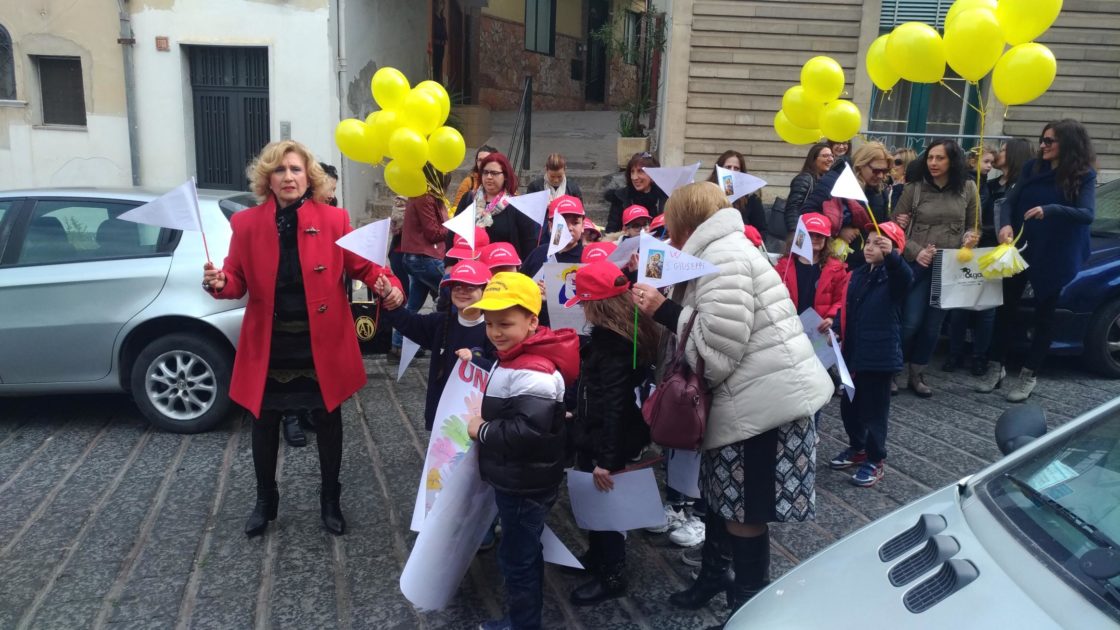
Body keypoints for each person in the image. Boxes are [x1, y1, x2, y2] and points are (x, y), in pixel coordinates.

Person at [631, 182, 832, 620]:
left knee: (745, 510)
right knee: (723, 499)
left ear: (687, 221)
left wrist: (662, 309)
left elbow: (716, 354)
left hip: (764, 408)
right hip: (754, 399)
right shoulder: (721, 250)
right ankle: (714, 579)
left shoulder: (724, 258)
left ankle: (747, 607)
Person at [202, 140, 403, 537]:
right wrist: (221, 282)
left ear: (307, 176)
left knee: (328, 422)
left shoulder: (334, 219)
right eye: (280, 170)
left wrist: (389, 285)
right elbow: (235, 279)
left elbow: (366, 266)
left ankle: (330, 499)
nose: (288, 177)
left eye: (295, 169)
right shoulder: (245, 224)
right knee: (264, 423)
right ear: (267, 179)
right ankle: (265, 500)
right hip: (270, 344)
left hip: (320, 345)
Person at [466, 272, 580, 630]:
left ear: (533, 321)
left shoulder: (534, 369)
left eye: (505, 323)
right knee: (523, 551)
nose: (496, 332)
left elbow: (526, 432)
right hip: (521, 475)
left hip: (523, 481)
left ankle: (523, 624)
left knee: (517, 558)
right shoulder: (517, 355)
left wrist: (481, 429)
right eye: (490, 324)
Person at [978, 119, 1097, 402]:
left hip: (1056, 252)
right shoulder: (1033, 168)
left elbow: (1086, 214)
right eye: (1042, 140)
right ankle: (995, 369)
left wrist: (1051, 209)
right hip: (1022, 246)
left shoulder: (1084, 175)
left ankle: (1028, 375)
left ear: (1067, 144)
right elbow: (1009, 201)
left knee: (1045, 315)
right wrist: (1005, 225)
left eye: (1049, 141)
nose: (1042, 145)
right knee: (1005, 309)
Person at [563, 261, 654, 605]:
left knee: (608, 507)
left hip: (607, 440)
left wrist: (607, 459)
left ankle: (612, 572)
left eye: (584, 302)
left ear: (597, 305)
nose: (582, 309)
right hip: (597, 431)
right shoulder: (618, 335)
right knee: (595, 502)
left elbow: (615, 406)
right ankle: (597, 555)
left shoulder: (614, 347)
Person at [891, 139, 979, 397]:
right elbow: (894, 229)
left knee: (933, 326)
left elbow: (974, 225)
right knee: (910, 322)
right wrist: (916, 253)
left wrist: (971, 238)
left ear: (953, 160)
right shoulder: (914, 189)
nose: (933, 163)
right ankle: (893, 369)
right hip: (918, 264)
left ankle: (917, 373)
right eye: (930, 158)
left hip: (949, 265)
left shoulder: (969, 188)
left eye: (940, 158)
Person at [829, 223, 913, 486]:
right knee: (849, 407)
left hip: (879, 356)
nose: (871, 248)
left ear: (893, 249)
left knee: (875, 412)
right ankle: (859, 447)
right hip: (854, 352)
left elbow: (905, 277)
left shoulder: (894, 277)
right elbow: (849, 306)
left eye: (880, 244)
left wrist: (893, 258)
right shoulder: (859, 273)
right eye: (869, 242)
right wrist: (835, 323)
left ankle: (876, 459)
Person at [377, 260, 494, 430]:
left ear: (485, 291)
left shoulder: (494, 330)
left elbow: (500, 371)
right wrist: (387, 295)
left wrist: (475, 360)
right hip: (444, 415)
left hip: (480, 417)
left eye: (470, 287)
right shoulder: (440, 322)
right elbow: (408, 323)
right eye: (457, 286)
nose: (462, 292)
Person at [943, 144, 1001, 374]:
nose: (990, 166)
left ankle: (979, 355)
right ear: (972, 161)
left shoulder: (991, 185)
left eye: (992, 162)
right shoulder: (966, 183)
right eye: (986, 162)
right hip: (967, 249)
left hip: (987, 249)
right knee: (959, 305)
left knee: (986, 307)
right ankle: (956, 353)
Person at [393, 166, 450, 357]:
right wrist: (452, 226)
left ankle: (398, 344)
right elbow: (433, 233)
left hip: (414, 257)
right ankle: (445, 339)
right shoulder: (425, 198)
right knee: (451, 293)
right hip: (425, 257)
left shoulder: (419, 195)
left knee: (413, 304)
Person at [800, 142, 893, 253]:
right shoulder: (834, 180)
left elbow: (883, 223)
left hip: (869, 260)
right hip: (835, 257)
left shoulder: (881, 190)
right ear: (861, 164)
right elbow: (809, 212)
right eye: (876, 170)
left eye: (885, 171)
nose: (880, 176)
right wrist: (839, 230)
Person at [456, 152, 539, 259]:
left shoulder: (517, 205)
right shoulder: (469, 199)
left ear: (505, 176)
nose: (489, 177)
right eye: (485, 172)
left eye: (494, 173)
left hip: (504, 270)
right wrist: (449, 265)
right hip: (472, 267)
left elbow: (528, 244)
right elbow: (454, 234)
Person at [773, 213, 849, 331]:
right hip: (787, 329)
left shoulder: (836, 269)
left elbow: (842, 299)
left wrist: (831, 318)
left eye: (819, 235)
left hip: (818, 332)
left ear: (826, 239)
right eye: (810, 234)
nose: (814, 238)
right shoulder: (783, 267)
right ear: (800, 237)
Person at [521, 195, 586, 279]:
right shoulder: (539, 253)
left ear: (583, 226)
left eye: (575, 223)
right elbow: (521, 282)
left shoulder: (587, 257)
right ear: (551, 226)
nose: (569, 228)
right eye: (562, 223)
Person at [706, 150, 767, 236]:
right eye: (728, 167)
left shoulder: (750, 197)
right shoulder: (705, 193)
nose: (732, 171)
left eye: (736, 168)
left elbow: (760, 229)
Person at [604, 152, 667, 232]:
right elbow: (611, 232)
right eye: (632, 172)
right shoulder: (621, 197)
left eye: (640, 171)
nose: (634, 177)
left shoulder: (663, 197)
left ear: (652, 174)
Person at [784, 143, 833, 237]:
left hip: (816, 232)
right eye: (825, 156)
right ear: (814, 159)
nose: (830, 159)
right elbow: (792, 208)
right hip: (803, 233)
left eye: (831, 156)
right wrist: (796, 234)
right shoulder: (804, 179)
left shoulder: (824, 180)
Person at [452, 145, 497, 211]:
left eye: (486, 160)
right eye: (480, 160)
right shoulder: (469, 182)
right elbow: (456, 208)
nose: (483, 163)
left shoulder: (502, 183)